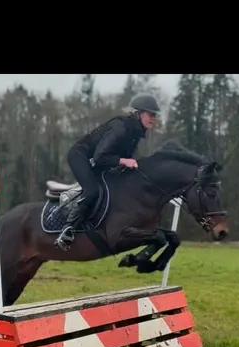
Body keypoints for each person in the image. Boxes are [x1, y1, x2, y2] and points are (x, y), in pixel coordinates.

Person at [55, 93, 161, 249]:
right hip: (80, 156)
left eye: (155, 115)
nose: (153, 118)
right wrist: (124, 161)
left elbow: (121, 158)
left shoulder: (135, 132)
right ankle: (67, 230)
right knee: (92, 191)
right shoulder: (120, 127)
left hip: (98, 161)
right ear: (138, 113)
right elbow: (100, 157)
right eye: (150, 114)